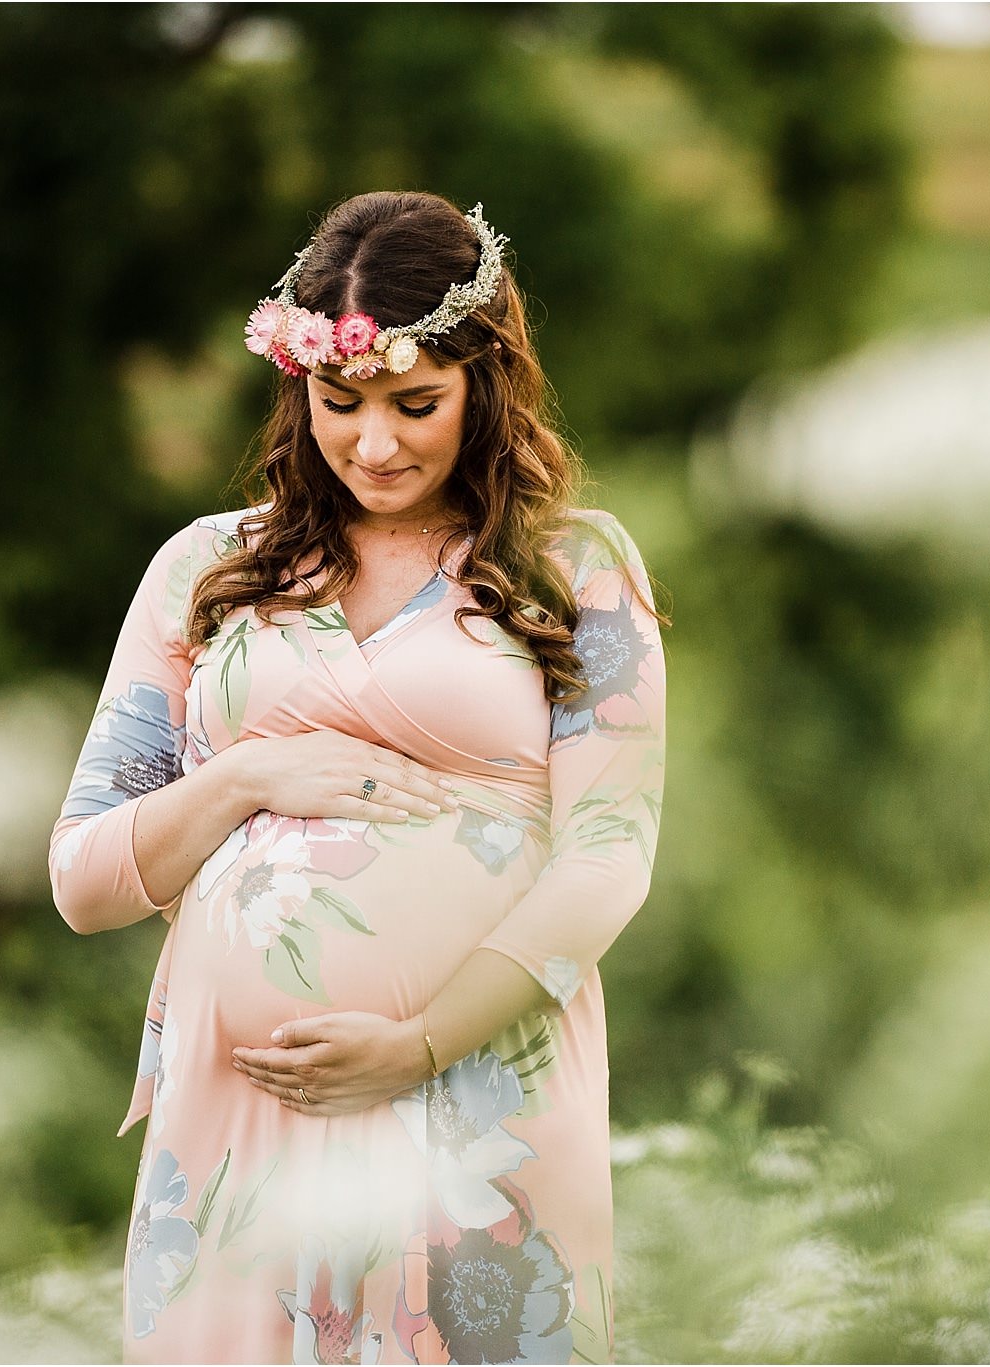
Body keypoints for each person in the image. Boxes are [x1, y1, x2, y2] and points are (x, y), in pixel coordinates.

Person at [48, 191, 667, 1364]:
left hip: (484, 1098)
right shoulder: (208, 568)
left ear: (486, 385)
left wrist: (421, 1039)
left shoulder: (573, 569)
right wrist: (250, 774)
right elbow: (84, 878)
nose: (374, 444)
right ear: (299, 389)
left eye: (414, 405)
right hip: (241, 1120)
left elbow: (606, 857)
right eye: (340, 404)